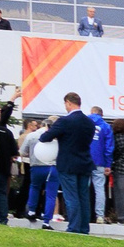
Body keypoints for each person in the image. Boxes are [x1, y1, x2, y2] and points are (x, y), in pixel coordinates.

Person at [38, 96, 99, 234]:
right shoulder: (90, 122)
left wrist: (54, 133)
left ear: (68, 103)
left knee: (71, 197)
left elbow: (44, 138)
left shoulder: (64, 121)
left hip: (68, 163)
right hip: (85, 163)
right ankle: (84, 228)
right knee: (83, 197)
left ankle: (74, 227)